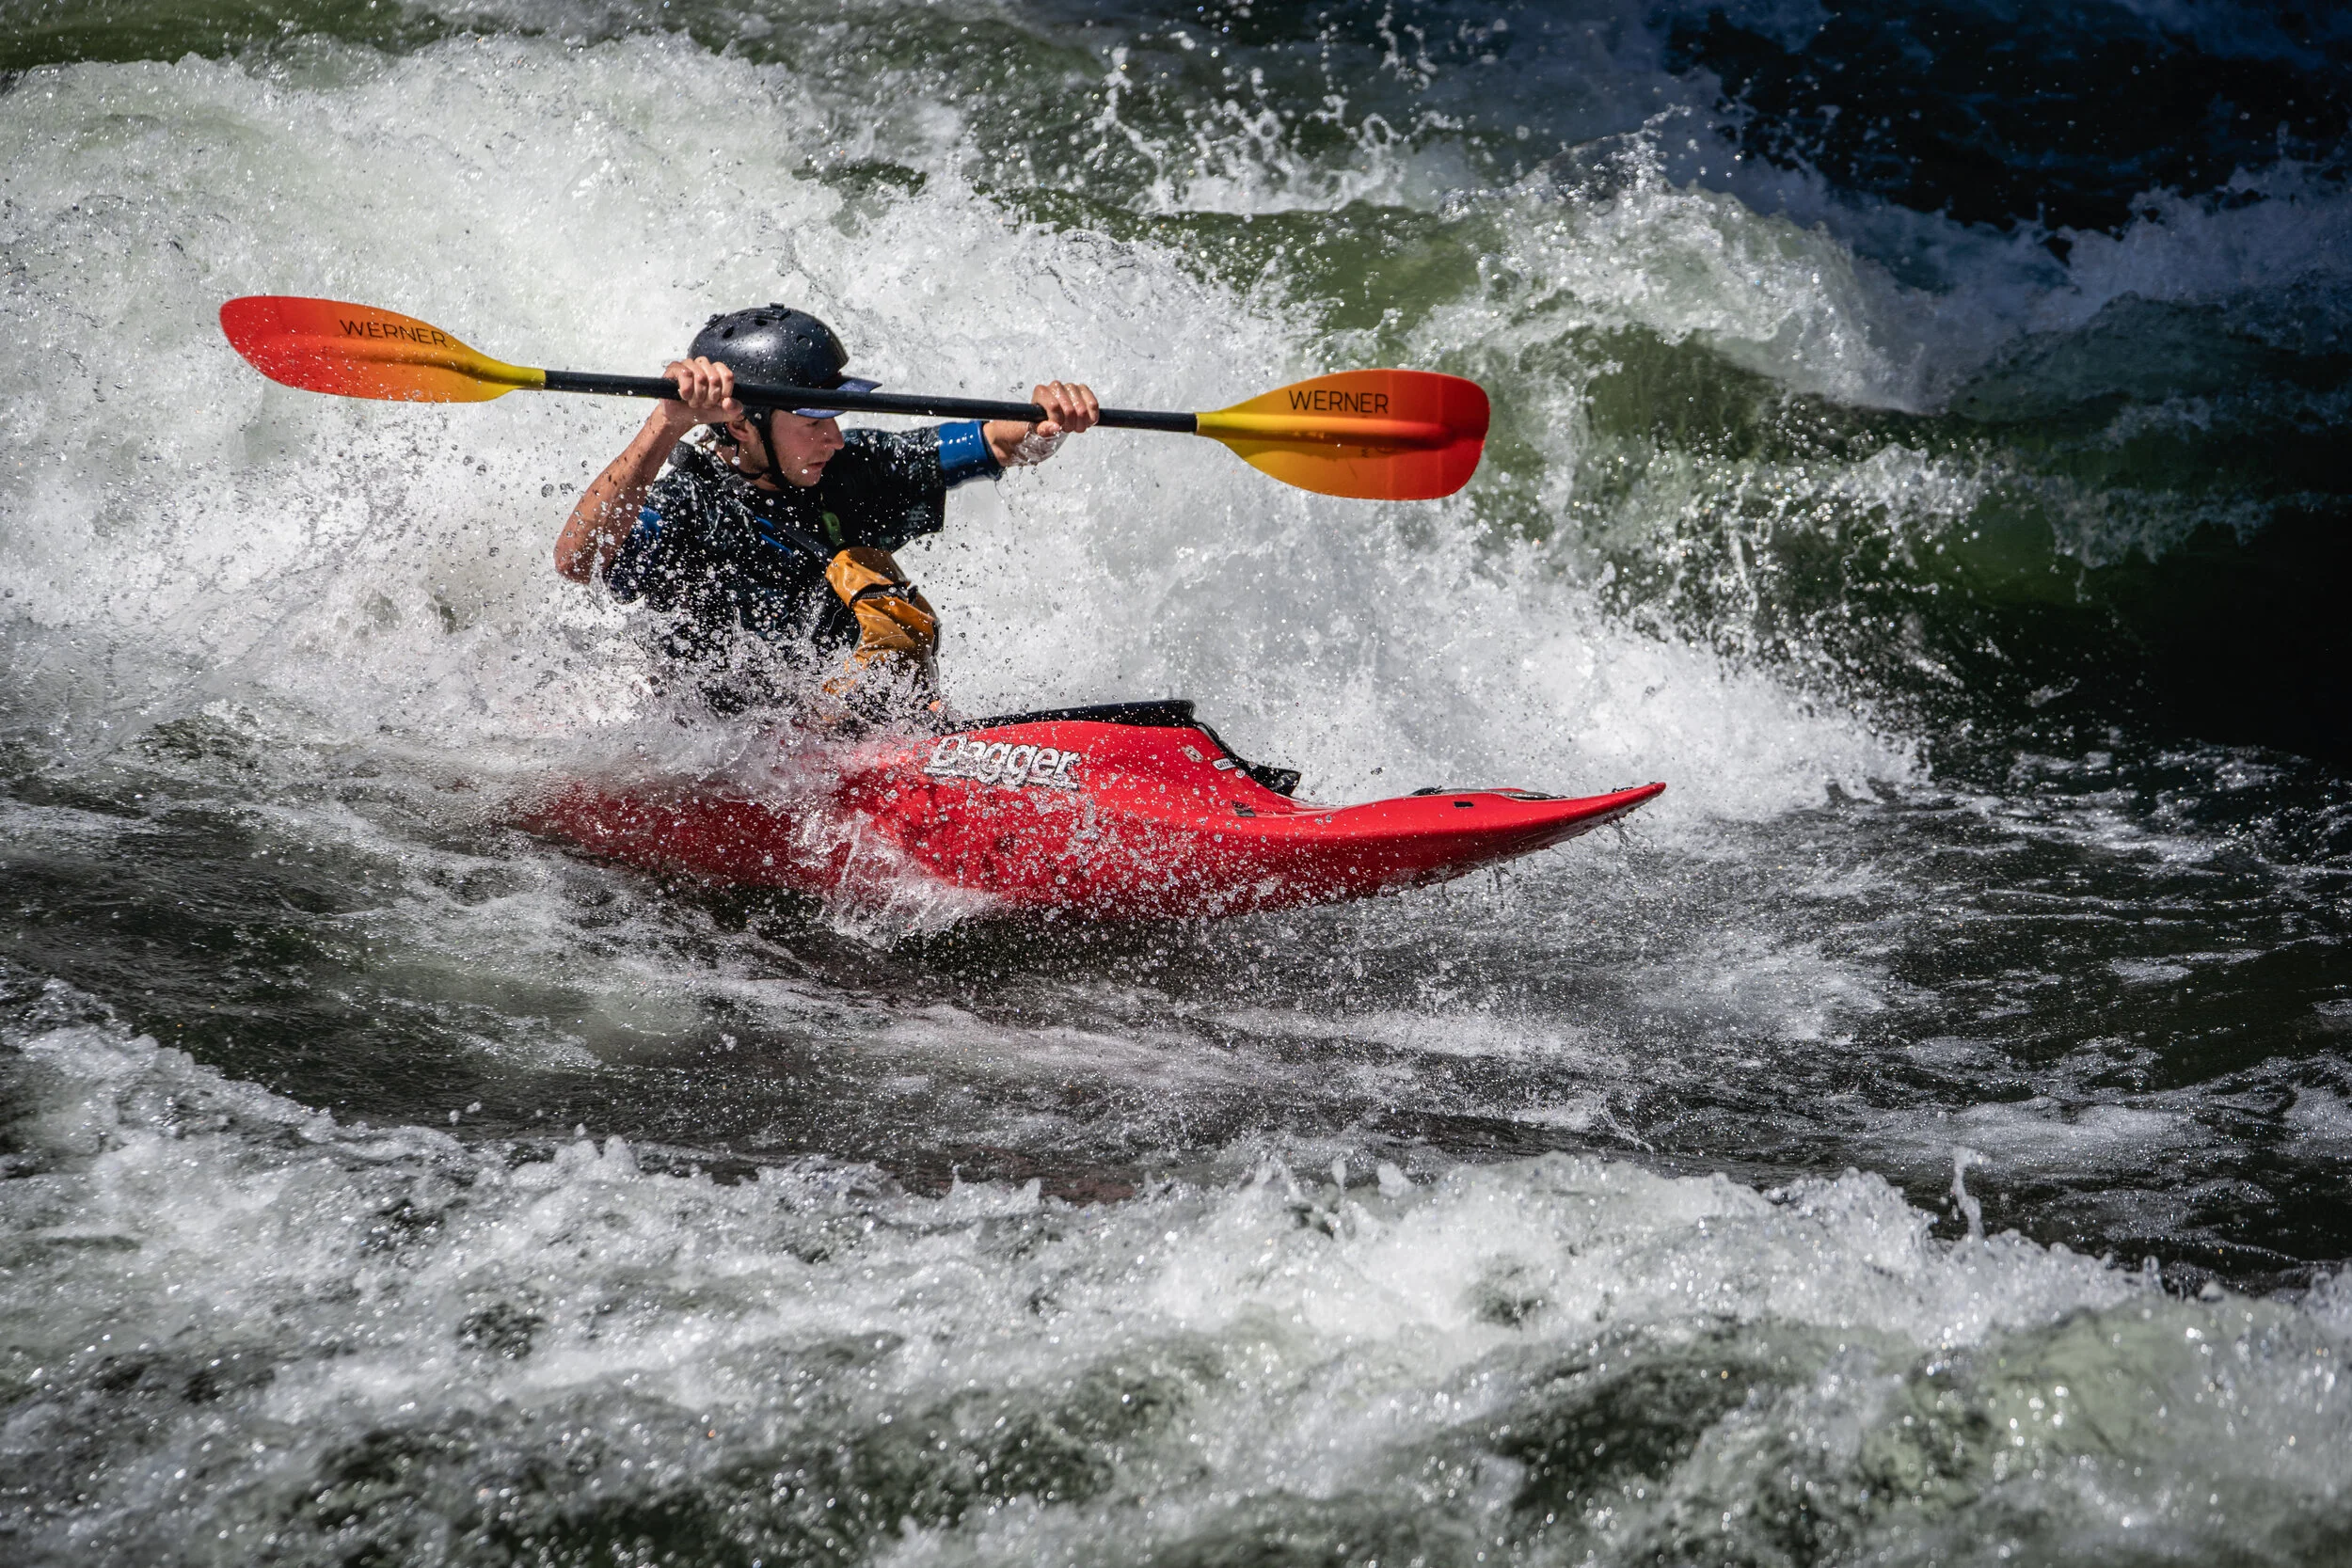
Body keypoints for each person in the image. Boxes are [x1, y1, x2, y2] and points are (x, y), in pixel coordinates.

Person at [554, 305, 1099, 723]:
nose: (834, 438)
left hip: (848, 735)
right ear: (742, 426)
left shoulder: (852, 468)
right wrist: (668, 422)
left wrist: (1042, 423)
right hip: (721, 753)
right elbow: (576, 560)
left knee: (890, 616)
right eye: (813, 423)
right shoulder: (690, 506)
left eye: (834, 418)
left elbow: (996, 442)